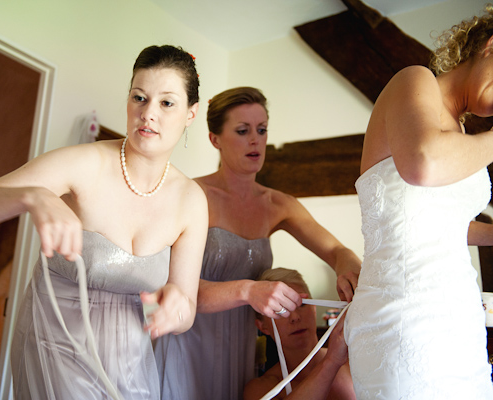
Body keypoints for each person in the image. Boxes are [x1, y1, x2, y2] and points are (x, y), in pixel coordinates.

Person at [0, 44, 208, 400]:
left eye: (167, 102)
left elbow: (185, 308)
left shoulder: (191, 201)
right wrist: (31, 196)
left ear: (191, 113)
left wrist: (175, 306)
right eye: (139, 98)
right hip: (54, 352)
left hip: (131, 367)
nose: (148, 114)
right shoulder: (83, 164)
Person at [154, 86, 361, 400]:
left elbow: (335, 250)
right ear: (215, 139)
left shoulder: (278, 205)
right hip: (188, 341)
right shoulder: (191, 195)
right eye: (242, 130)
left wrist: (347, 264)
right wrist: (246, 291)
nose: (255, 140)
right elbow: (162, 281)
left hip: (244, 347)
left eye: (261, 130)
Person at [344, 6, 493, 399]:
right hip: (404, 318)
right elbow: (422, 165)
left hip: (460, 321)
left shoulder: (461, 129)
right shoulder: (415, 80)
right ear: (491, 47)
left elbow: (436, 224)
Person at [243, 268, 355, 400]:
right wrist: (332, 361)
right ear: (263, 327)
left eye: (302, 305)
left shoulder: (352, 362)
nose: (295, 317)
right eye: (280, 310)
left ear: (314, 308)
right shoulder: (262, 389)